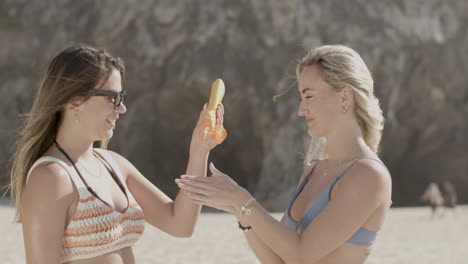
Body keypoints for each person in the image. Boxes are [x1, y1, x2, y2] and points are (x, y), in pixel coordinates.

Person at [8, 44, 224, 263]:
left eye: (122, 97)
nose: (122, 108)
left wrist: (199, 151)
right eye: (112, 98)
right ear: (74, 100)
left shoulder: (115, 166)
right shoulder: (51, 178)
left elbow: (180, 224)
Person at [177, 45, 392, 263]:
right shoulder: (313, 171)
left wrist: (242, 199)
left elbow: (301, 254)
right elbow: (279, 260)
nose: (301, 110)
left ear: (345, 97)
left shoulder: (369, 175)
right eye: (301, 98)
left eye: (309, 96)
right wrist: (238, 210)